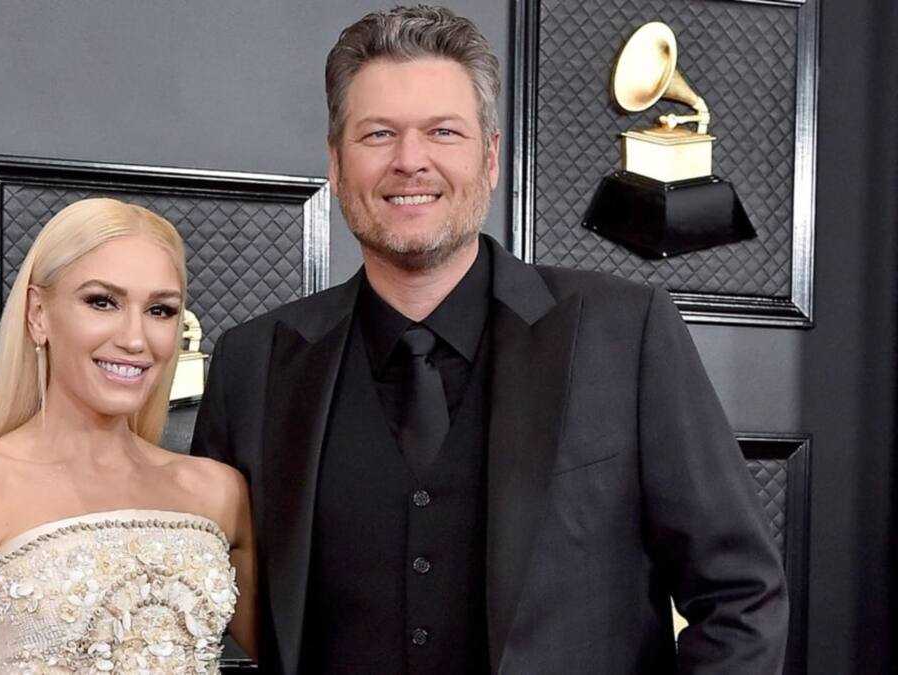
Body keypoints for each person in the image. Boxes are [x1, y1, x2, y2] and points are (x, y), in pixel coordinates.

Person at [191, 6, 787, 673]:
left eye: (443, 132)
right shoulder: (253, 363)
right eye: (378, 134)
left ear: (492, 157)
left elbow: (740, 595)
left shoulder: (626, 331)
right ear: (335, 162)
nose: (409, 161)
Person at [0, 198, 256, 673]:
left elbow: (314, 647)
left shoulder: (217, 492)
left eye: (160, 310)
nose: (135, 338)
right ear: (38, 313)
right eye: (102, 302)